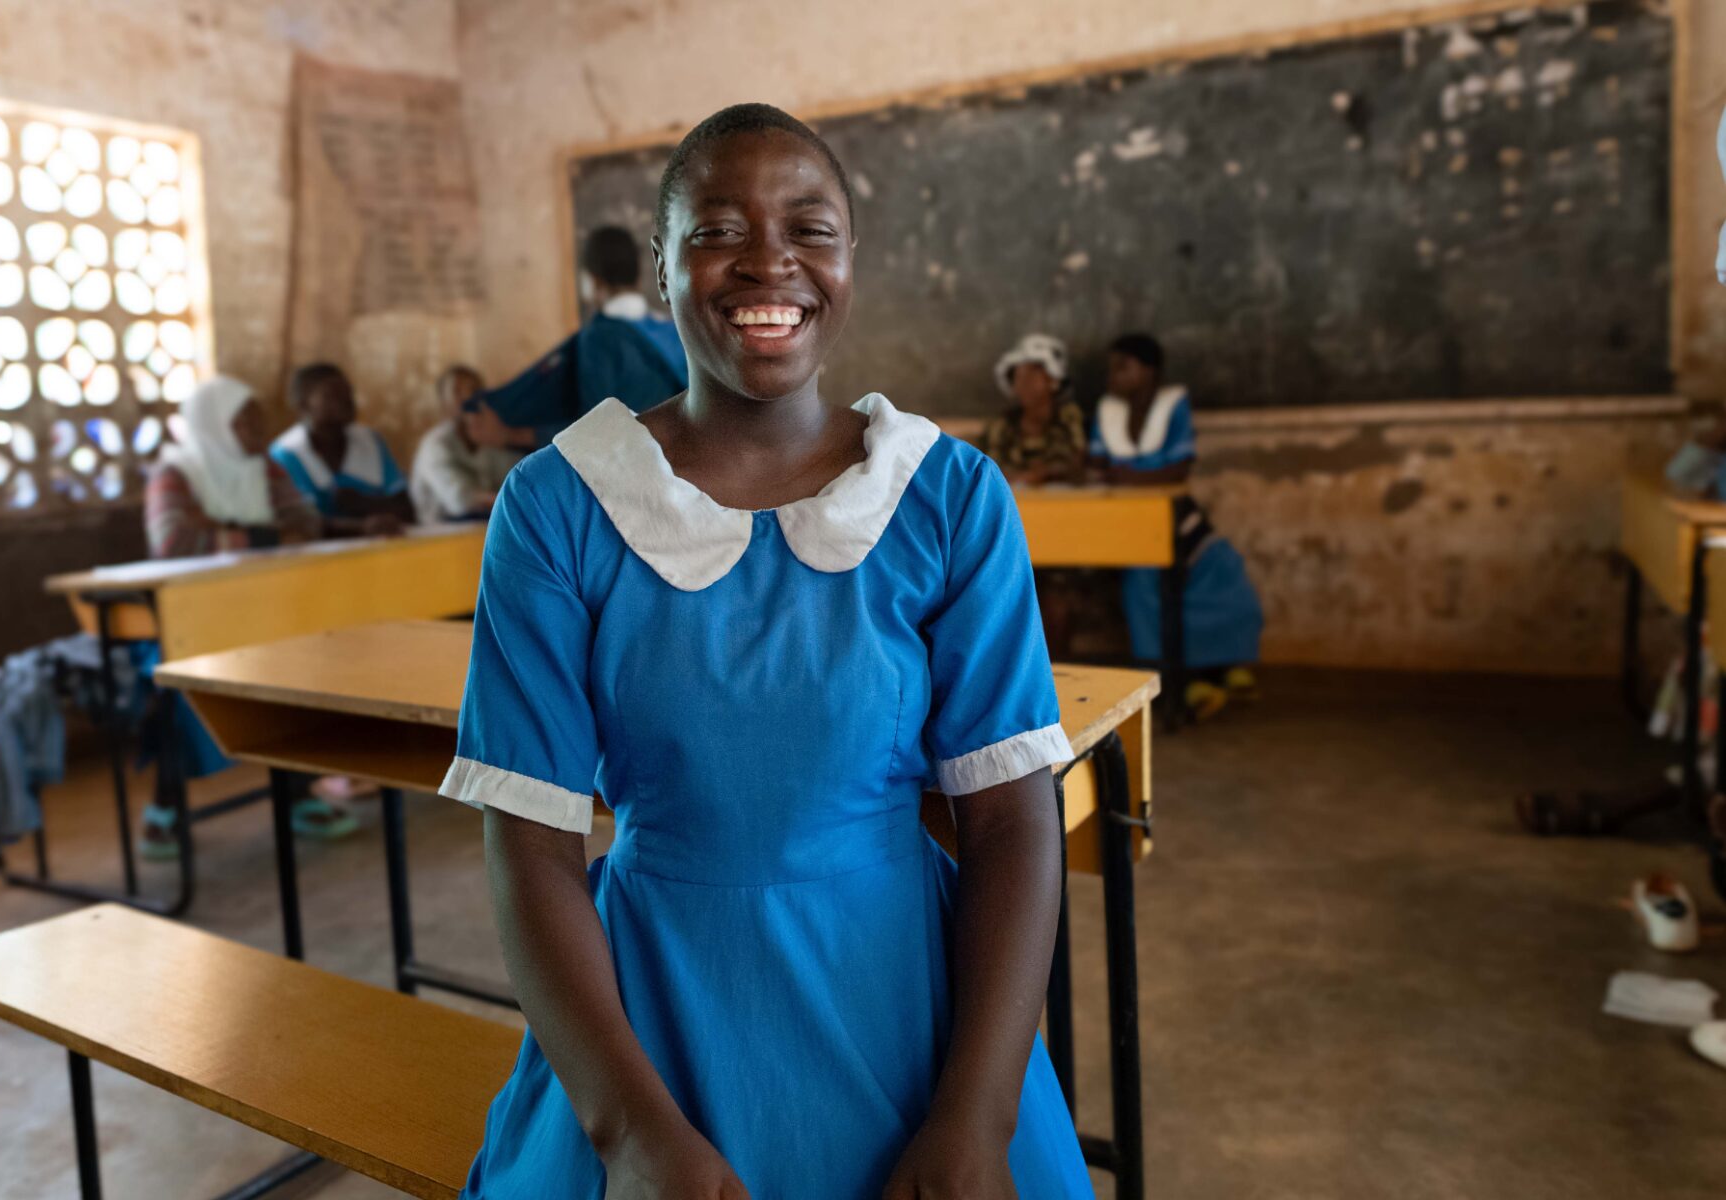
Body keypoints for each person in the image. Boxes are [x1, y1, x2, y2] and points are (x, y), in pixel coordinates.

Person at [443, 103, 1092, 1199]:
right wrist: (629, 1134)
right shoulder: (560, 504)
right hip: (654, 1013)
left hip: (906, 1002)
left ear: (848, 261)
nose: (768, 263)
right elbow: (533, 850)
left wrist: (977, 1114)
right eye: (714, 232)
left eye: (809, 228)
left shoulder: (944, 493)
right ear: (659, 270)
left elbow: (1012, 816)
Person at [139, 376, 355, 855]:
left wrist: (222, 528)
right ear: (214, 424)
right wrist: (260, 534)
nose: (260, 427)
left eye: (259, 415)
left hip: (266, 612)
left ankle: (297, 794)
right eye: (246, 418)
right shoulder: (173, 473)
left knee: (301, 674)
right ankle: (164, 809)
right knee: (182, 696)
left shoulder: (265, 468)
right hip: (190, 622)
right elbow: (173, 543)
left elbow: (304, 523)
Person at [1090, 332, 1262, 717]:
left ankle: (1217, 670)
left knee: (1220, 569)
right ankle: (1174, 680)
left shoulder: (1173, 405)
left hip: (1175, 514)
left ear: (1149, 372)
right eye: (1112, 367)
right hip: (1122, 521)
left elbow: (1180, 467)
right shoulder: (1108, 411)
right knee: (1145, 585)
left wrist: (1127, 478)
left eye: (1124, 367)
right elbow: (1099, 466)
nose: (1113, 376)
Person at [461, 226, 689, 451]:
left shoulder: (599, 339)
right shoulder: (673, 331)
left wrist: (507, 435)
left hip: (626, 466)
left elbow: (594, 428)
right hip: (677, 465)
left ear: (594, 282)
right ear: (639, 279)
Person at [269, 362, 413, 532]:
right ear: (303, 405)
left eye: (348, 393)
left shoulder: (370, 441)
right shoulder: (285, 454)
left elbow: (407, 508)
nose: (348, 402)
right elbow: (299, 523)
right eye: (333, 395)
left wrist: (362, 502)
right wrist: (362, 524)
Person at [410, 364, 522, 522]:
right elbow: (459, 500)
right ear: (443, 402)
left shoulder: (487, 439)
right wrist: (514, 503)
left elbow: (516, 477)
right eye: (457, 391)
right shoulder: (435, 444)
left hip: (483, 525)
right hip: (441, 534)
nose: (467, 397)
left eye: (474, 390)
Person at [981, 333, 1085, 486]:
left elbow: (1077, 464)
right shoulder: (1001, 425)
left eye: (1031, 376)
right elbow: (988, 471)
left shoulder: (1069, 417)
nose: (1023, 385)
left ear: (1053, 381)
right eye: (1018, 378)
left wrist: (1040, 474)